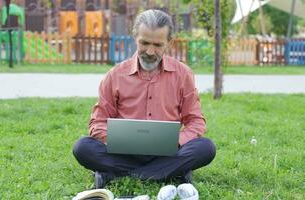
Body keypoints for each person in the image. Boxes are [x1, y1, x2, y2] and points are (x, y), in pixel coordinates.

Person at [73, 9, 216, 189]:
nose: (150, 51)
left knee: (206, 147)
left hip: (168, 152)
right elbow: (97, 122)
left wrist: (176, 142)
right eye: (144, 43)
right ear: (135, 38)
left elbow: (195, 122)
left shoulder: (183, 74)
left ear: (169, 43)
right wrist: (117, 140)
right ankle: (170, 172)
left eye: (157, 45)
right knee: (83, 147)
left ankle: (115, 174)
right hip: (123, 153)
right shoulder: (115, 75)